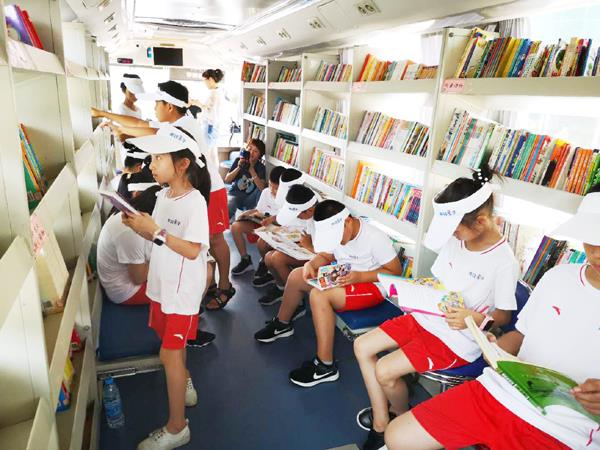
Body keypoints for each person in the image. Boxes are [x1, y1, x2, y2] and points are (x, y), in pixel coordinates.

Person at [384, 184, 600, 450]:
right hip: (505, 388)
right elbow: (521, 334)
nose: (596, 252)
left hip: (570, 428)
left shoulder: (504, 260)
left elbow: (503, 314)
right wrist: (495, 349)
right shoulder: (557, 277)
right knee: (397, 436)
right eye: (591, 238)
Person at [353, 166, 520, 450]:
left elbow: (503, 316)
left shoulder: (504, 262)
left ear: (480, 221)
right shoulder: (460, 238)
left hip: (457, 337)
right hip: (428, 316)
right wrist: (415, 289)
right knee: (362, 345)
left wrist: (476, 317)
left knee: (384, 370)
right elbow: (440, 281)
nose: (452, 235)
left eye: (455, 229)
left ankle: (397, 424)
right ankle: (384, 422)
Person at [91, 80, 234, 314]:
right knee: (196, 239)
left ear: (169, 106)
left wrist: (105, 116)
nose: (154, 107)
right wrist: (120, 128)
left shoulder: (182, 126)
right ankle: (206, 281)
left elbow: (142, 125)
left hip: (211, 189)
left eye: (158, 103)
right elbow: (143, 126)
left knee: (214, 240)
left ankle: (225, 286)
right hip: (192, 188)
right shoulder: (175, 125)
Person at [122, 125, 211, 450]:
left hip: (181, 293)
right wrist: (139, 226)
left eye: (159, 158)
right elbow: (159, 238)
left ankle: (177, 428)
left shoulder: (194, 202)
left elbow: (192, 249)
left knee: (168, 354)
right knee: (173, 349)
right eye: (152, 158)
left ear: (182, 164)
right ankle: (183, 378)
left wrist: (156, 230)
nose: (152, 164)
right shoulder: (162, 196)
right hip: (162, 287)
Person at [254, 200, 402, 381]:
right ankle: (282, 324)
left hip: (371, 286)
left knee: (319, 296)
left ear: (348, 221)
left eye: (337, 237)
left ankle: (325, 365)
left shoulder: (375, 237)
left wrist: (360, 277)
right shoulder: (338, 230)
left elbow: (395, 272)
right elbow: (327, 255)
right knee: (297, 276)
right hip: (344, 276)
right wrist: (311, 264)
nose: (337, 241)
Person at [257, 184, 319, 306]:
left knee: (277, 258)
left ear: (310, 210)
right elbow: (307, 236)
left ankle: (296, 301)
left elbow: (327, 254)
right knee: (269, 257)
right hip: (307, 249)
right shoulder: (309, 214)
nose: (297, 217)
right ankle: (281, 288)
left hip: (317, 257)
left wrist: (308, 246)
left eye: (297, 215)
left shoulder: (320, 219)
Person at [98, 182, 159, 305]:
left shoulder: (132, 214)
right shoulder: (131, 232)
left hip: (127, 276)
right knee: (179, 286)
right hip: (126, 291)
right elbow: (138, 278)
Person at [229, 166, 285, 279]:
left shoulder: (286, 198)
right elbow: (258, 210)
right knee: (235, 226)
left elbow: (284, 222)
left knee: (262, 241)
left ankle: (264, 262)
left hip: (276, 228)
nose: (272, 190)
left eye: (276, 188)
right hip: (261, 223)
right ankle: (245, 259)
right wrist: (247, 213)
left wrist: (271, 220)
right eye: (270, 185)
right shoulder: (266, 192)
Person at [225, 138, 267, 220]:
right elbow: (227, 180)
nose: (251, 153)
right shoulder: (238, 160)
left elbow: (262, 188)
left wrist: (251, 169)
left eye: (255, 151)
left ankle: (256, 218)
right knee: (231, 202)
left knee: (262, 190)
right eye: (250, 149)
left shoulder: (261, 167)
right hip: (235, 195)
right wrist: (239, 167)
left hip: (249, 199)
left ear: (260, 155)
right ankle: (227, 222)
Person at [191, 68, 225, 169]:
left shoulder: (214, 93)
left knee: (207, 153)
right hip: (214, 125)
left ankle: (210, 175)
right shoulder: (218, 92)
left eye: (205, 81)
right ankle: (215, 175)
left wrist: (198, 103)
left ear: (210, 79)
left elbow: (209, 111)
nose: (204, 83)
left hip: (210, 125)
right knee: (213, 153)